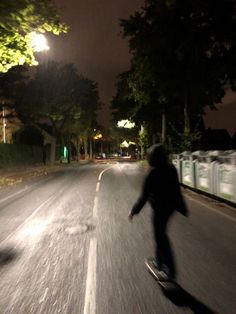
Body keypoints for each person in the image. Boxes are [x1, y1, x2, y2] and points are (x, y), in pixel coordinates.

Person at [129, 144, 188, 281]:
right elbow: (176, 189)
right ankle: (159, 261)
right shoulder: (171, 169)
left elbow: (144, 197)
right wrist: (182, 207)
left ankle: (168, 271)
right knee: (159, 234)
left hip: (160, 209)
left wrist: (133, 211)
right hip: (171, 207)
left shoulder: (152, 173)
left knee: (160, 237)